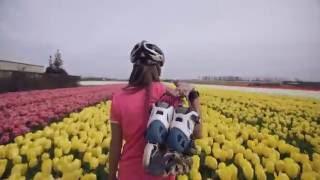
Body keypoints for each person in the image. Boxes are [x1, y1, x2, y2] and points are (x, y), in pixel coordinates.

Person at [108, 40, 202, 180]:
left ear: (134, 67)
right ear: (158, 67)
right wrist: (193, 96)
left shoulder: (119, 98)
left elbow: (115, 145)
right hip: (162, 174)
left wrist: (111, 176)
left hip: (128, 173)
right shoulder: (171, 95)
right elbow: (198, 133)